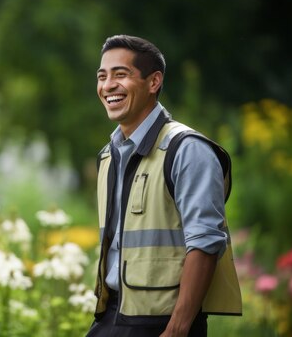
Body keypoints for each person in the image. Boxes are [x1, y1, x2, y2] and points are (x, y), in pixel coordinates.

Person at [86, 35, 241, 337]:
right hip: (113, 316)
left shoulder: (187, 150)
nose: (107, 85)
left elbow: (205, 243)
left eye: (121, 74)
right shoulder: (108, 156)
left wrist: (177, 329)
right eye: (102, 76)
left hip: (163, 324)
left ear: (153, 81)